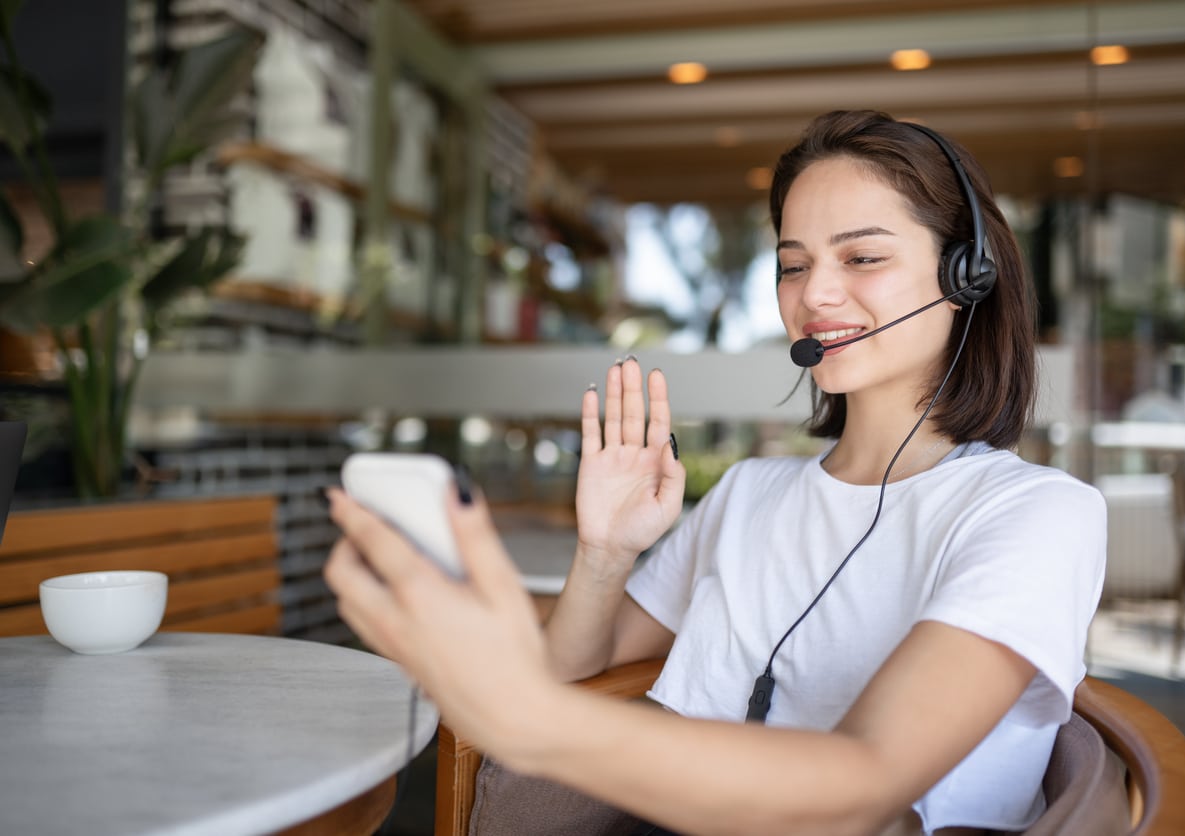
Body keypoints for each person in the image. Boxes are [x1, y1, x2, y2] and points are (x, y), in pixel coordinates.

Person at [324, 110, 1107, 836]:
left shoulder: (1036, 514)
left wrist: (526, 716)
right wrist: (606, 552)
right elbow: (573, 672)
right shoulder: (750, 492)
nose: (815, 295)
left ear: (967, 275)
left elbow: (868, 781)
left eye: (862, 256)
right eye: (792, 265)